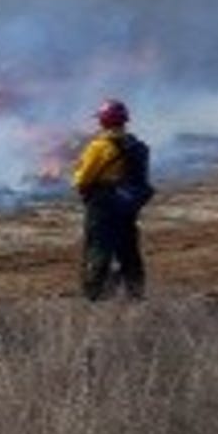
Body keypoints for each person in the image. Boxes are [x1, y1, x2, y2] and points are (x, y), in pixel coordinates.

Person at [69, 98, 151, 302]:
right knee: (128, 248)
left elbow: (82, 179)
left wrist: (79, 180)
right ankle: (135, 293)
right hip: (127, 204)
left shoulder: (100, 146)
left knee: (99, 247)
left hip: (103, 204)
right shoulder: (136, 145)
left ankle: (95, 295)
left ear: (103, 121)